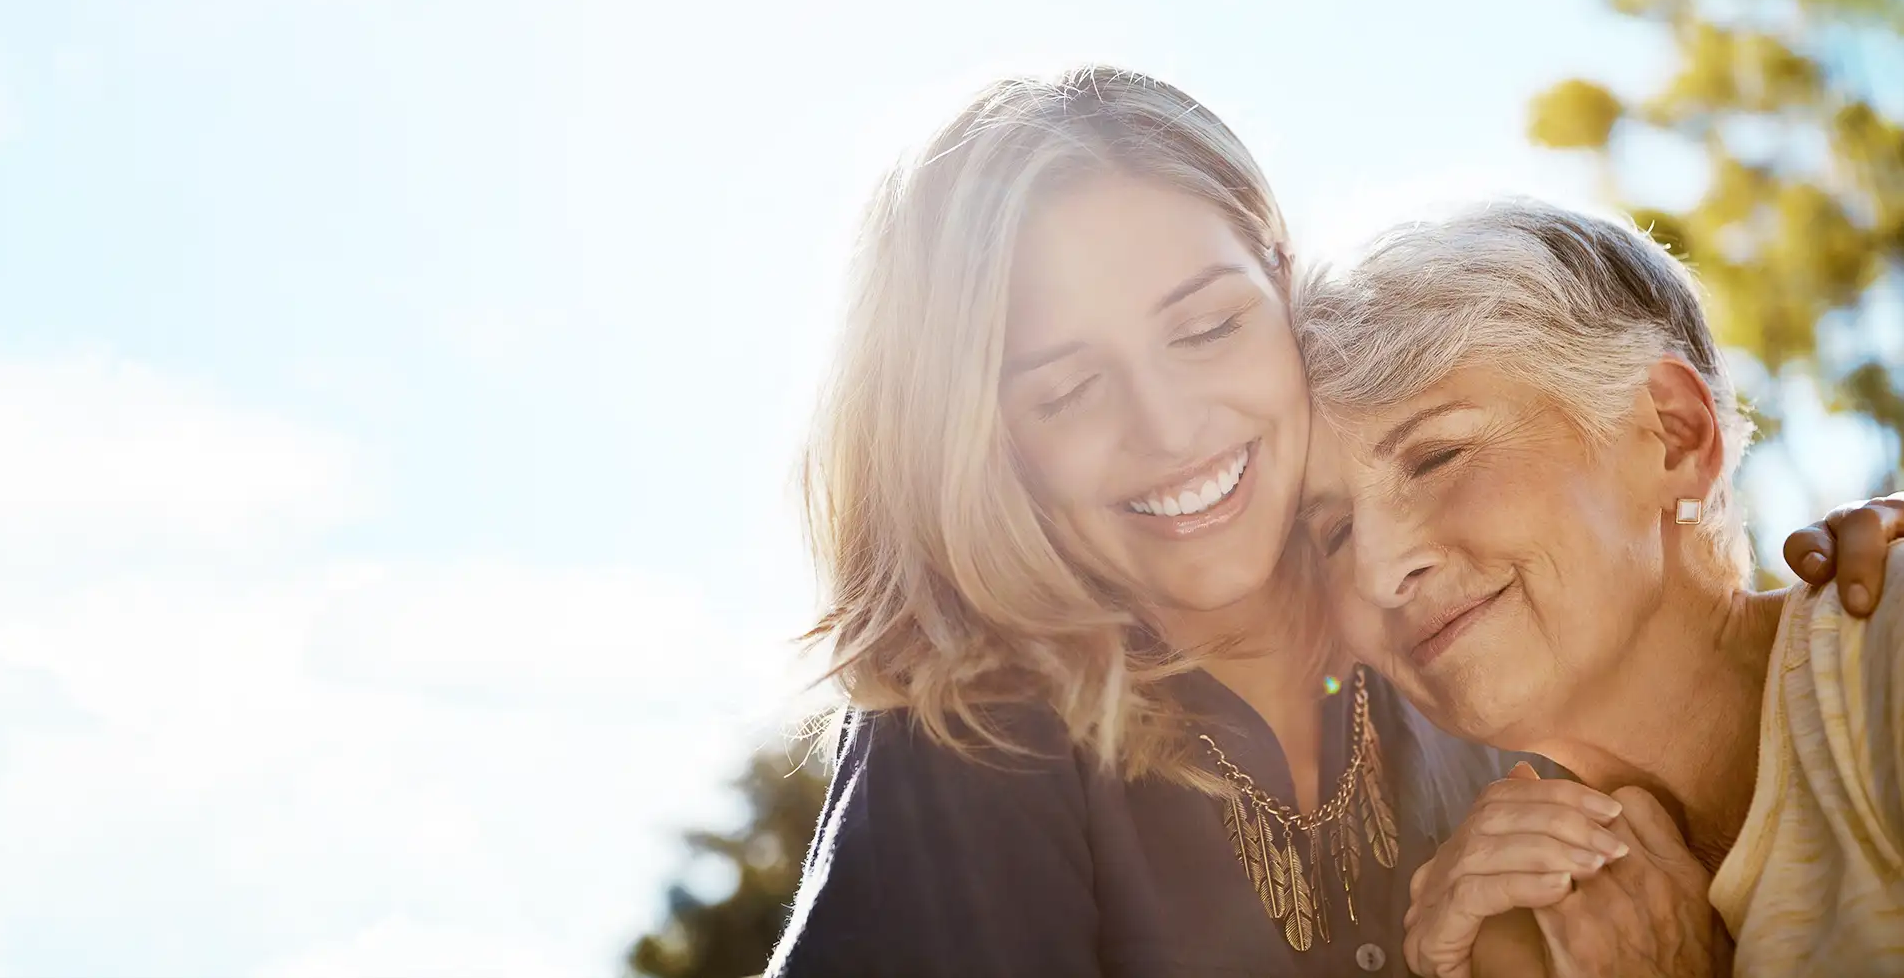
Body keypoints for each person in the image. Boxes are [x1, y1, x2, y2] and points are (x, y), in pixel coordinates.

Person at [768, 68, 1897, 978]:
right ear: (984, 441)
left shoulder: (1505, 701)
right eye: (1064, 391)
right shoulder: (976, 736)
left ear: (1276, 285)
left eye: (1207, 326)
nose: (1168, 429)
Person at [1295, 197, 1904, 976]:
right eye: (1334, 534)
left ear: (1672, 432)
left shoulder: (1880, 652)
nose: (1379, 571)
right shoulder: (1519, 930)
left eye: (1436, 457)